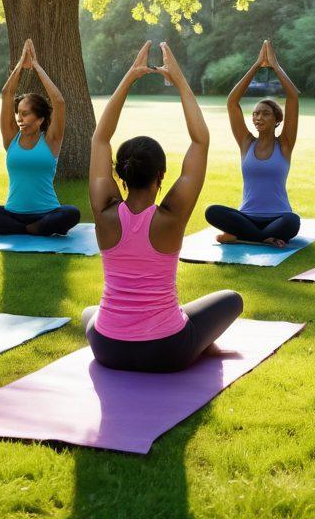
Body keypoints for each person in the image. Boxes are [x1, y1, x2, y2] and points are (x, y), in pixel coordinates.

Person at [82, 42, 243, 373]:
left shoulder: (104, 212)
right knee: (230, 300)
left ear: (120, 174)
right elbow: (200, 141)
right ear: (161, 175)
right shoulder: (171, 218)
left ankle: (170, 328)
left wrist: (128, 78)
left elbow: (99, 139)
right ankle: (199, 342)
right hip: (167, 351)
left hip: (107, 348)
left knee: (90, 314)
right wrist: (180, 80)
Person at [0, 39, 81, 237]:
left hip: (47, 213)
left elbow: (59, 102)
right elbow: (7, 93)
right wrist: (21, 64)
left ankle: (26, 229)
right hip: (13, 214)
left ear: (40, 119)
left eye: (26, 114)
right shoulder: (11, 138)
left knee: (71, 213)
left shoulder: (51, 141)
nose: (20, 118)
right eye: (18, 113)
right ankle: (31, 229)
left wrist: (36, 67)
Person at [205, 40, 301, 247]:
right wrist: (256, 65)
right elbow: (232, 102)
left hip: (279, 218)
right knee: (211, 211)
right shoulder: (246, 143)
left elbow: (293, 96)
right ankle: (264, 238)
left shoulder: (284, 144)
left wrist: (274, 66)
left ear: (277, 120)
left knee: (293, 221)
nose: (258, 117)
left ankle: (244, 236)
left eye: (265, 113)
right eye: (255, 114)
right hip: (246, 216)